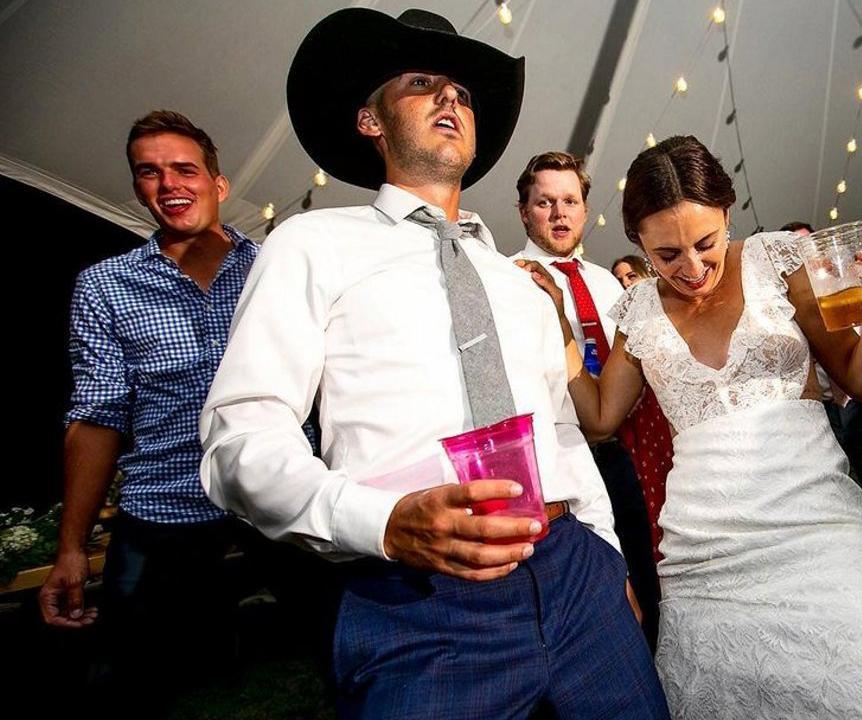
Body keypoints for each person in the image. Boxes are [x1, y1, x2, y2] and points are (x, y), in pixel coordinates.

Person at [200, 9, 666, 719]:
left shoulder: (516, 280)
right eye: (422, 83)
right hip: (417, 599)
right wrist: (382, 522)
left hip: (575, 575)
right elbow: (240, 438)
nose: (450, 96)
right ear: (371, 120)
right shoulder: (313, 244)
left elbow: (563, 430)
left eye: (463, 93)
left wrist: (606, 556)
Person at [524, 135, 862, 718]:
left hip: (817, 531)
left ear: (727, 213)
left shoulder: (777, 263)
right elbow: (603, 417)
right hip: (704, 556)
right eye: (666, 255)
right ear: (638, 242)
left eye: (705, 243)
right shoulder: (640, 309)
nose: (691, 268)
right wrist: (559, 323)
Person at [37, 110, 282, 714]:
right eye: (149, 172)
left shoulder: (275, 269)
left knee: (351, 651)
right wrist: (71, 548)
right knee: (125, 685)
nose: (168, 183)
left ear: (218, 184)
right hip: (167, 506)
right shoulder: (105, 286)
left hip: (278, 494)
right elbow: (97, 418)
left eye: (184, 169)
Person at [510, 150, 671, 649]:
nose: (559, 213)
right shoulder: (507, 280)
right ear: (524, 211)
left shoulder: (606, 283)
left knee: (648, 571)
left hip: (628, 450)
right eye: (545, 203)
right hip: (561, 459)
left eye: (570, 201)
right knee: (586, 590)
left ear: (584, 210)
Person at [780, 219, 862, 577]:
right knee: (837, 492)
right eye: (798, 254)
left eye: (813, 249)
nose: (811, 260)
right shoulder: (787, 304)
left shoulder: (850, 283)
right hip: (824, 411)